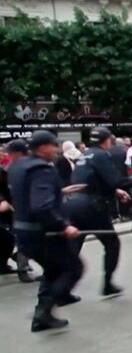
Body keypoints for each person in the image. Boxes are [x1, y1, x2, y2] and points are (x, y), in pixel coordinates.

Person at [8, 131, 83, 332]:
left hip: (22, 230)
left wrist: (59, 192)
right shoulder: (42, 169)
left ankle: (43, 315)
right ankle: (45, 309)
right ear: (42, 148)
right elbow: (41, 206)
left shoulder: (18, 166)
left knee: (53, 270)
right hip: (43, 232)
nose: (56, 150)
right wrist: (63, 225)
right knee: (73, 268)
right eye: (53, 146)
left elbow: (25, 193)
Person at [65, 128, 132, 296]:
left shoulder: (84, 155)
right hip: (92, 206)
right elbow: (115, 180)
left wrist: (115, 192)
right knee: (112, 243)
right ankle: (107, 284)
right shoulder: (102, 155)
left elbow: (91, 180)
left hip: (74, 203)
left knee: (74, 245)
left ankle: (62, 287)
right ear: (107, 141)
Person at [0, 139, 35, 282]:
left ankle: (9, 263)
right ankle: (22, 266)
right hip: (14, 210)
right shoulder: (8, 170)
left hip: (19, 209)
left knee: (14, 240)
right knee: (24, 239)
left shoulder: (16, 168)